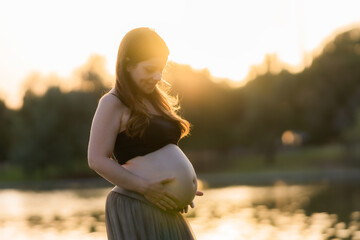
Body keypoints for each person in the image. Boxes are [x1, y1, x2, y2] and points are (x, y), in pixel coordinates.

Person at [87, 27, 203, 240]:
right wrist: (146, 188)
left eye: (161, 69)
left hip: (162, 205)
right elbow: (96, 159)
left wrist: (179, 190)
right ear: (129, 64)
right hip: (137, 203)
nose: (157, 76)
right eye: (150, 69)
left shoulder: (155, 101)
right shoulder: (113, 103)